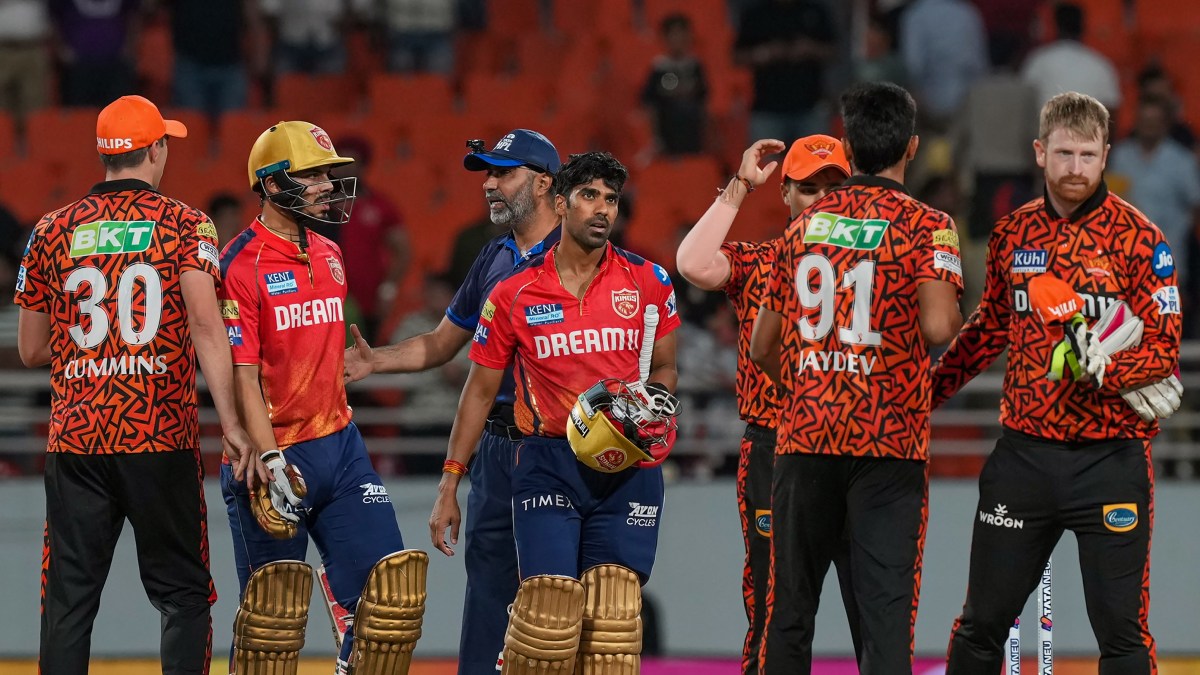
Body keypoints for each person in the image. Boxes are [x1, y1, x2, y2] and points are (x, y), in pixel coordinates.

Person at [938, 91, 1182, 675]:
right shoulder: (1011, 234)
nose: (1076, 168)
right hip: (1023, 459)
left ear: (1106, 156)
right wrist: (922, 393)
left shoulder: (1141, 239)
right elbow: (987, 329)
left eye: (1088, 155)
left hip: (1112, 459)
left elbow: (1164, 346)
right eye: (1064, 153)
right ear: (1039, 152)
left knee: (1123, 637)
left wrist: (1108, 369)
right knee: (980, 626)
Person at [14, 94, 256, 675]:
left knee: (68, 602)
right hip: (159, 434)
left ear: (106, 155)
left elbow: (30, 349)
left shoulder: (51, 229)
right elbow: (205, 326)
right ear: (155, 150)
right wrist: (233, 423)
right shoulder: (185, 225)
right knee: (182, 595)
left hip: (75, 439)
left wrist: (93, 352)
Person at [433, 151, 680, 673]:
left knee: (612, 626)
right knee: (547, 617)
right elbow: (478, 392)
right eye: (590, 196)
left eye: (611, 199)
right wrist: (450, 483)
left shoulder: (650, 279)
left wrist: (653, 405)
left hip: (627, 469)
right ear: (561, 203)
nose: (602, 209)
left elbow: (665, 367)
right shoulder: (514, 291)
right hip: (548, 462)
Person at [750, 81, 965, 674]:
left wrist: (807, 389)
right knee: (884, 616)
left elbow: (762, 345)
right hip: (888, 443)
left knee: (790, 610)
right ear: (912, 146)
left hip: (805, 437)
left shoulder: (804, 226)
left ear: (847, 148)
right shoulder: (930, 225)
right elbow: (940, 326)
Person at [343, 128, 562, 675]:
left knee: (556, 599)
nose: (488, 184)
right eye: (487, 173)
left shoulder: (582, 253)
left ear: (542, 183)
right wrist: (375, 361)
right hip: (497, 448)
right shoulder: (494, 256)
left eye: (502, 173)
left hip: (559, 447)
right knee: (487, 590)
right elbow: (442, 343)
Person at [218, 120, 427, 675]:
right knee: (269, 630)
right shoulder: (239, 264)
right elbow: (242, 378)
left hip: (341, 446)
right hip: (273, 457)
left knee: (389, 603)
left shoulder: (331, 252)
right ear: (271, 183)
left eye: (329, 176)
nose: (327, 187)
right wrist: (269, 459)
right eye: (313, 176)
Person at [676, 135, 857, 675]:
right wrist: (739, 187)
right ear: (785, 194)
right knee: (773, 605)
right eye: (809, 188)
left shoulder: (871, 269)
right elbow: (692, 263)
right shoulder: (763, 262)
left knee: (871, 604)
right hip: (774, 446)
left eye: (833, 187)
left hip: (855, 446)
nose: (822, 198)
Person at [1020, 2, 1120, 112]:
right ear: (1083, 26)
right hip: (1087, 123)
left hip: (1045, 123)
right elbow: (1111, 110)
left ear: (1055, 25)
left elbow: (1022, 102)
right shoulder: (1100, 64)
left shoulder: (1038, 60)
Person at [641, 13, 709, 156]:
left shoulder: (695, 66)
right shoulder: (659, 68)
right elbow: (650, 104)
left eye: (682, 34)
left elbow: (703, 101)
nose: (678, 39)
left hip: (693, 132)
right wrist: (655, 137)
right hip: (667, 131)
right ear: (665, 38)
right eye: (674, 35)